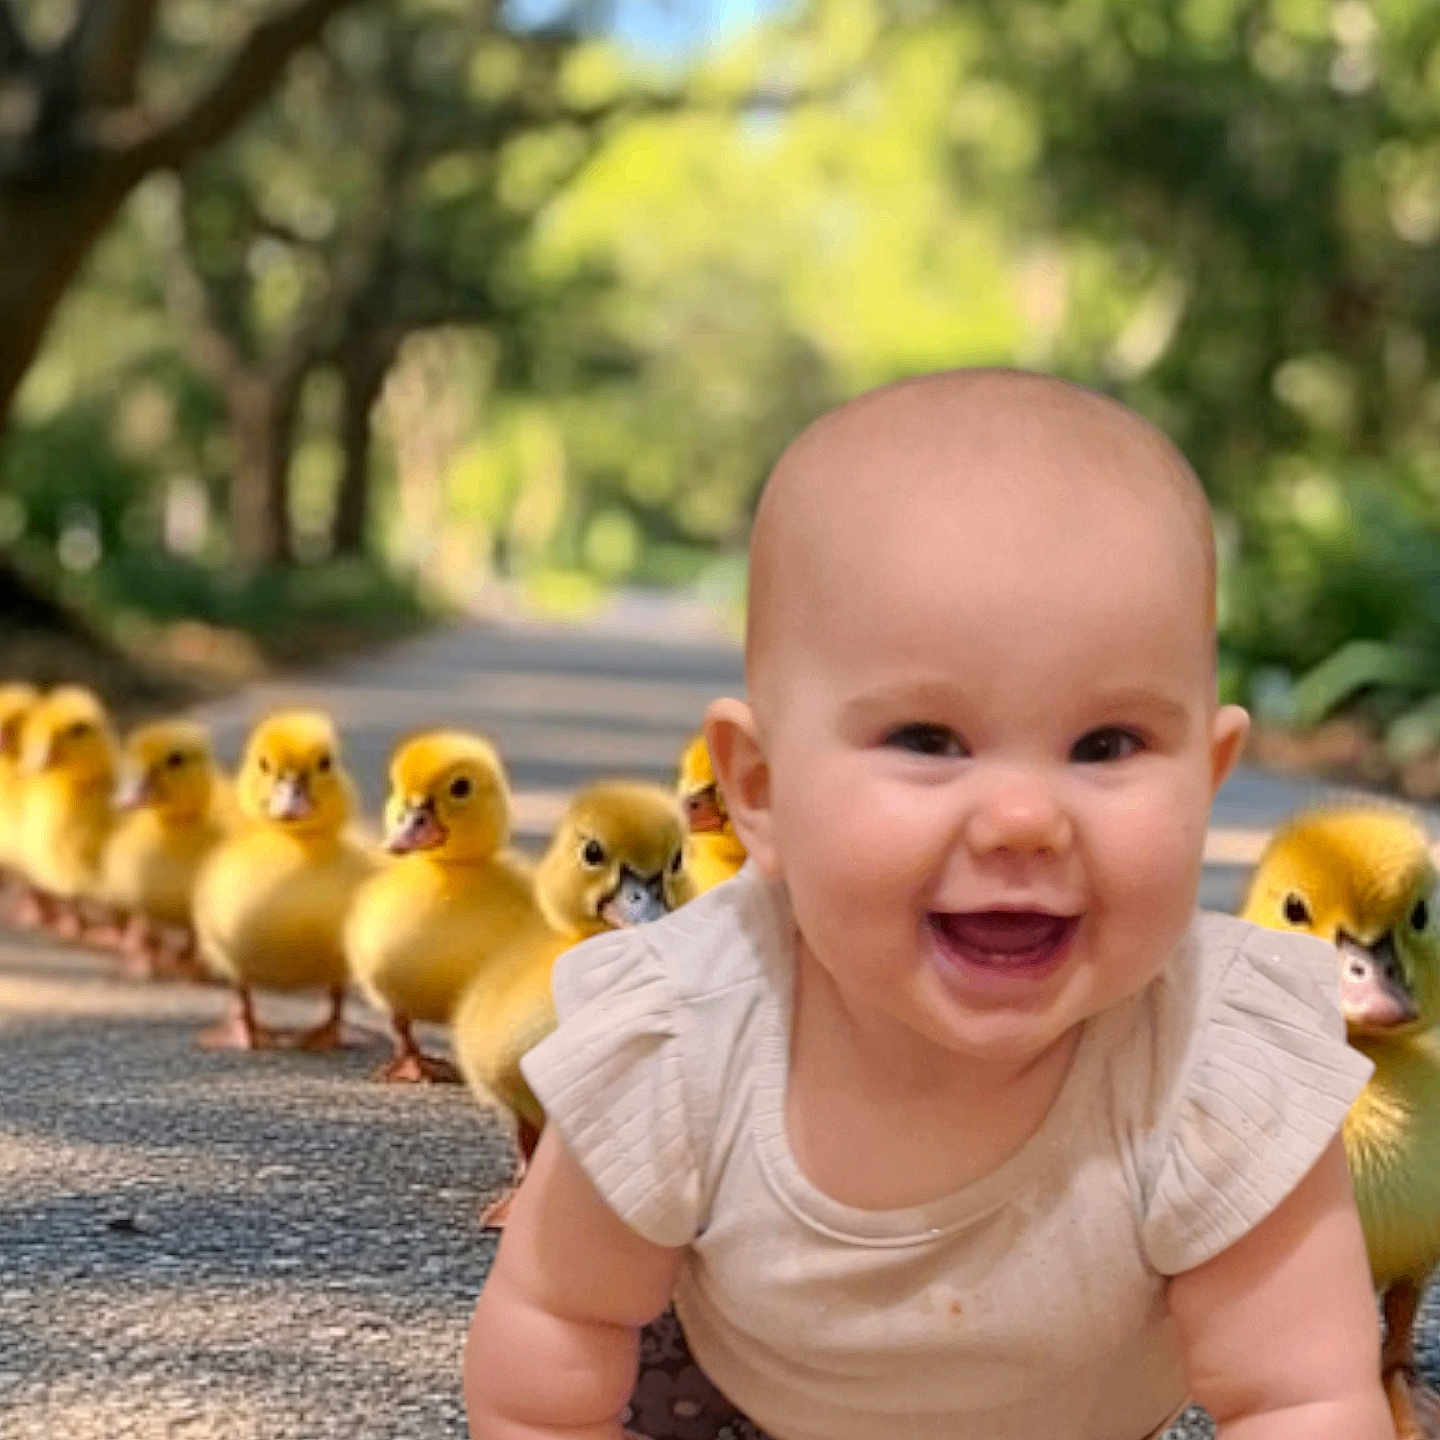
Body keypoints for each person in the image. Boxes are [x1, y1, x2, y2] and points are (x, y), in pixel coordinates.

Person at [463, 369, 1389, 1439]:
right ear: (758, 789)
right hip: (733, 1402)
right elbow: (554, 1327)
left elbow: (1301, 1398)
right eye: (928, 740)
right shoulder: (684, 1034)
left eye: (1107, 745)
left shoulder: (1216, 1064)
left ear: (1208, 779)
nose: (1024, 819)